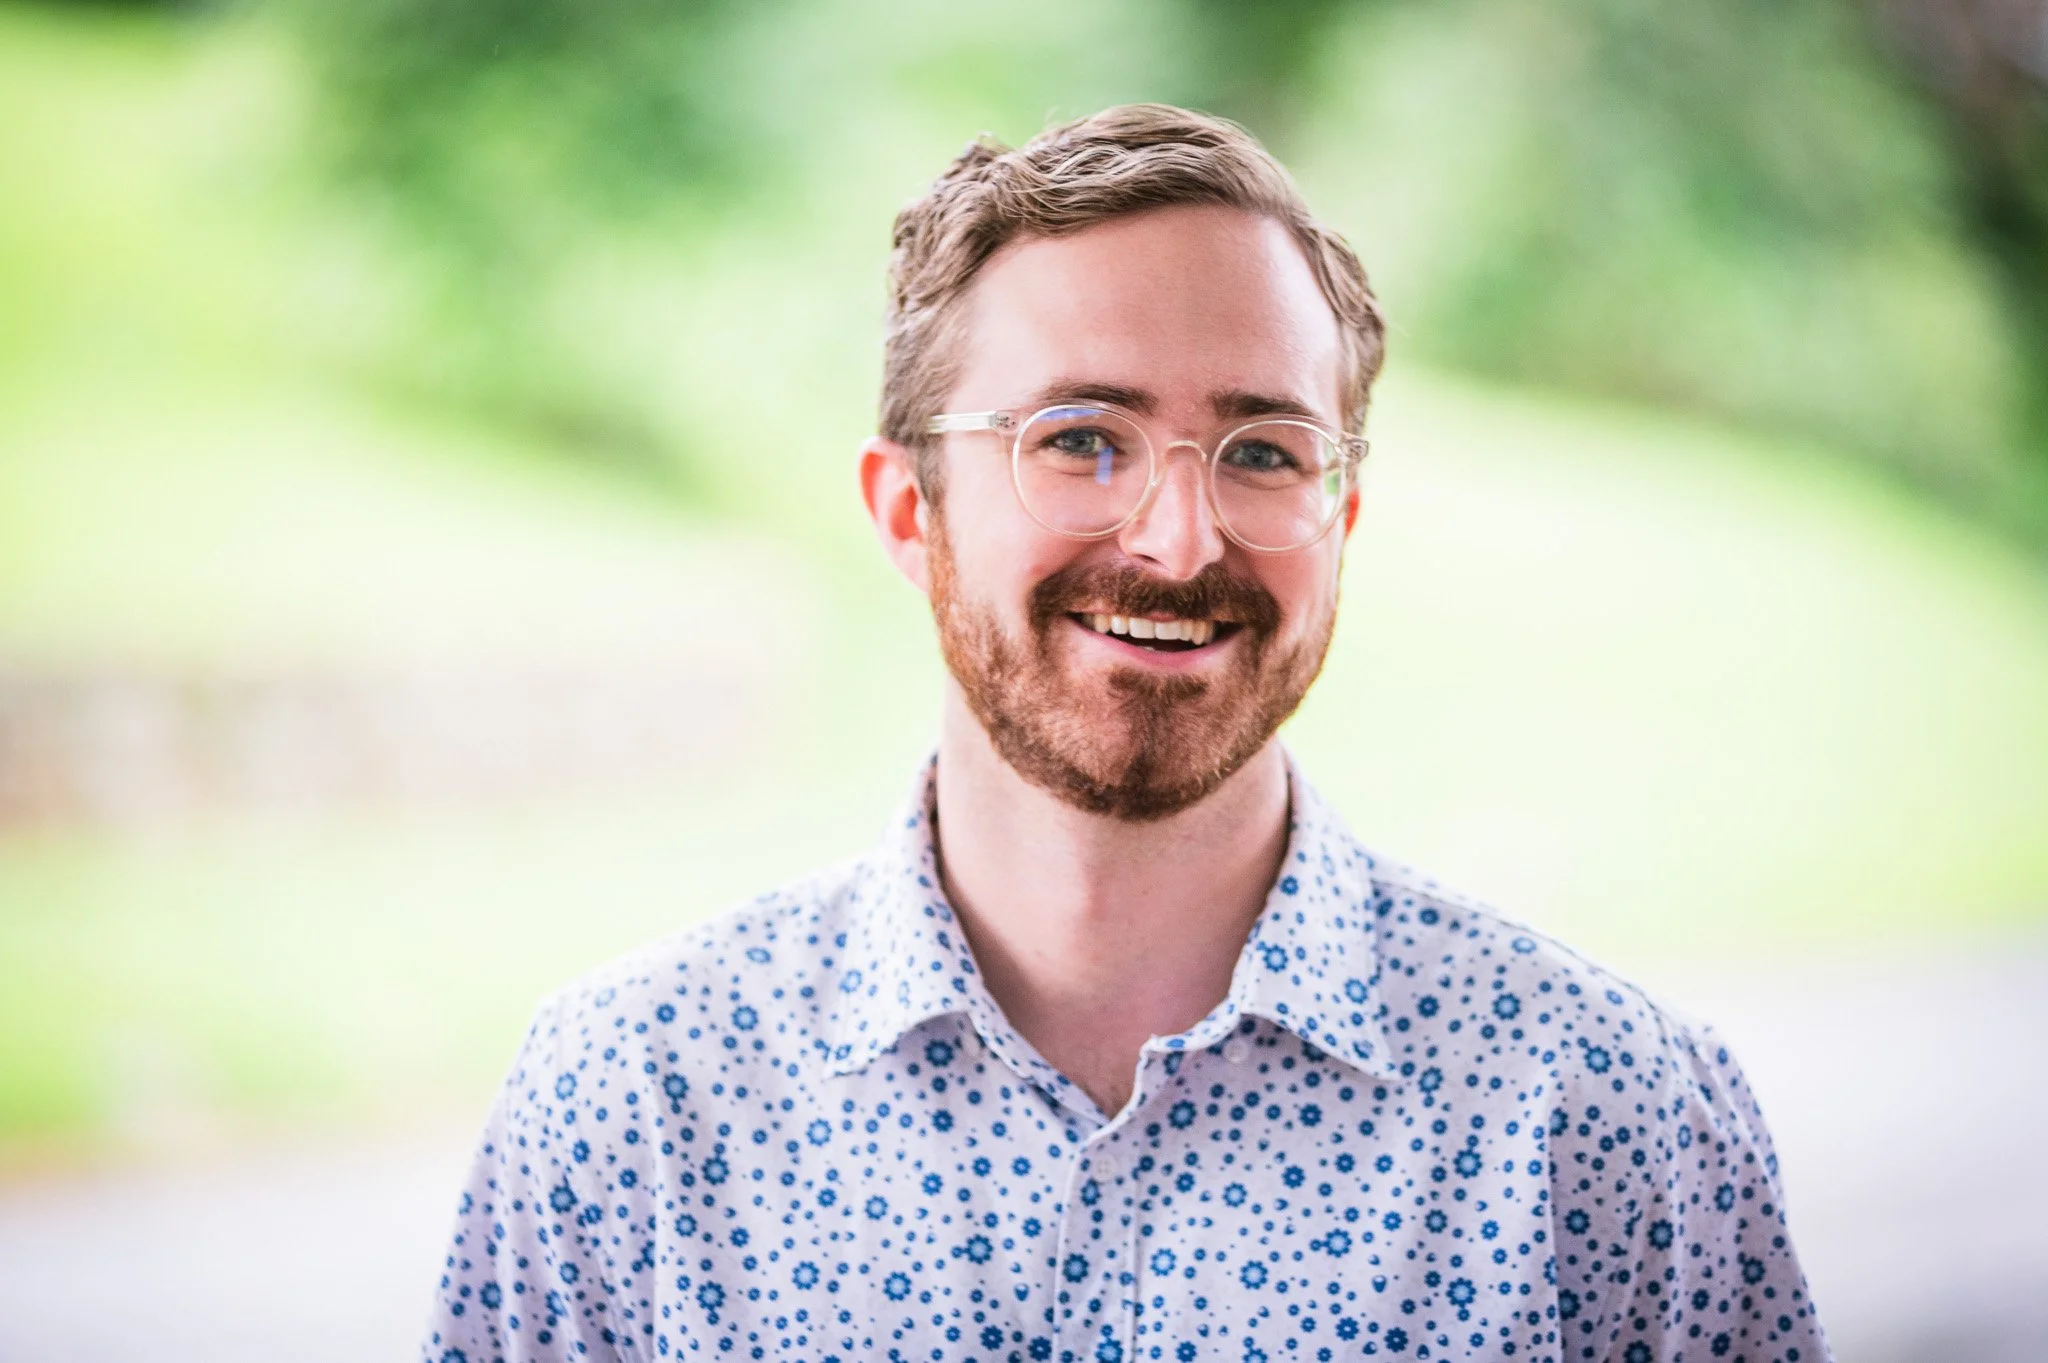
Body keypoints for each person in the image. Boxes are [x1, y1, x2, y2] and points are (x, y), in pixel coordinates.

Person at [422, 105, 1830, 1363]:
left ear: (1339, 524)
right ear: (911, 511)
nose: (1178, 538)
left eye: (1265, 451)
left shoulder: (1618, 1128)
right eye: (1082, 438)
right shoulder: (626, 1113)